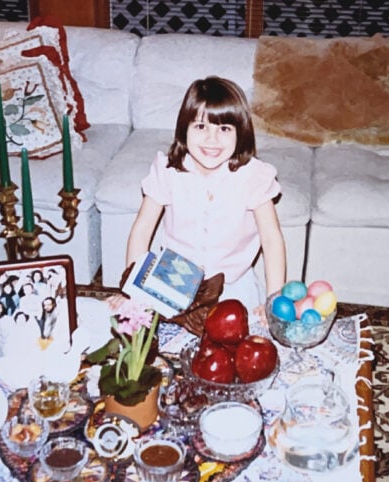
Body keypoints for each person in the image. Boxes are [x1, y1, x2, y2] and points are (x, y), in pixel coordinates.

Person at [122, 76, 286, 318]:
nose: (212, 139)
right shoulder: (167, 170)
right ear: (184, 129)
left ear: (240, 133)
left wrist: (274, 300)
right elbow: (142, 229)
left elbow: (272, 240)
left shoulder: (254, 176)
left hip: (234, 287)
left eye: (224, 129)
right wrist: (133, 293)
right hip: (173, 282)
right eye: (201, 127)